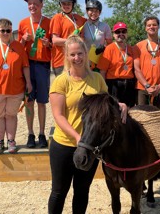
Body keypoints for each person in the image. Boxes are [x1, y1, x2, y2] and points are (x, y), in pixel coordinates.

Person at [48, 35, 127, 214]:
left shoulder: (97, 79)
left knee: (82, 191)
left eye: (80, 53)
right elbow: (58, 116)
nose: (77, 58)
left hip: (90, 146)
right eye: (73, 54)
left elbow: (108, 103)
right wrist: (77, 138)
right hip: (65, 145)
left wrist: (120, 104)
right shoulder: (61, 81)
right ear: (67, 56)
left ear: (86, 53)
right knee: (59, 192)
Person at [0, 18, 32, 154]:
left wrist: (29, 82)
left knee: (11, 115)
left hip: (15, 88)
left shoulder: (19, 47)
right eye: (3, 30)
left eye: (8, 30)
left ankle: (11, 141)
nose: (6, 33)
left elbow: (25, 66)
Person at [18, 0, 51, 148]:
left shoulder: (49, 22)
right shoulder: (23, 23)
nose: (32, 6)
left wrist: (48, 43)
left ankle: (42, 133)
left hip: (43, 65)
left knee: (42, 102)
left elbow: (54, 46)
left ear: (41, 5)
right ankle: (30, 134)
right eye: (30, 4)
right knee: (29, 101)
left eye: (35, 4)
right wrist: (24, 39)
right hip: (27, 66)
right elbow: (18, 48)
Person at [134, 16, 160, 110]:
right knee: (142, 118)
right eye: (149, 25)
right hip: (143, 88)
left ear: (158, 27)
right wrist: (146, 86)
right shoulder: (138, 46)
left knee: (159, 119)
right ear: (145, 28)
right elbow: (137, 69)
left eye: (154, 25)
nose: (151, 27)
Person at [97, 22, 137, 107]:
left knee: (130, 111)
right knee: (115, 111)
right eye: (118, 32)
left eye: (123, 31)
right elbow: (102, 71)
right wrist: (104, 89)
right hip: (114, 85)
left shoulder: (131, 49)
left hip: (129, 85)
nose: (121, 34)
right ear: (113, 35)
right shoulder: (109, 49)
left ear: (127, 34)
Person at [49, 0, 86, 77]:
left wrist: (88, 6)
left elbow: (91, 20)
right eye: (63, 3)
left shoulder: (78, 18)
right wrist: (73, 42)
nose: (66, 6)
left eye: (69, 3)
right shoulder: (57, 18)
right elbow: (55, 40)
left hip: (77, 60)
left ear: (73, 4)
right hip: (61, 61)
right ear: (60, 5)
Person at [82, 0, 112, 71]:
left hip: (99, 59)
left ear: (100, 12)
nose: (94, 13)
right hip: (84, 60)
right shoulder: (83, 25)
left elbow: (110, 44)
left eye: (96, 11)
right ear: (87, 11)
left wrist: (104, 48)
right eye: (91, 10)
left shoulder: (105, 26)